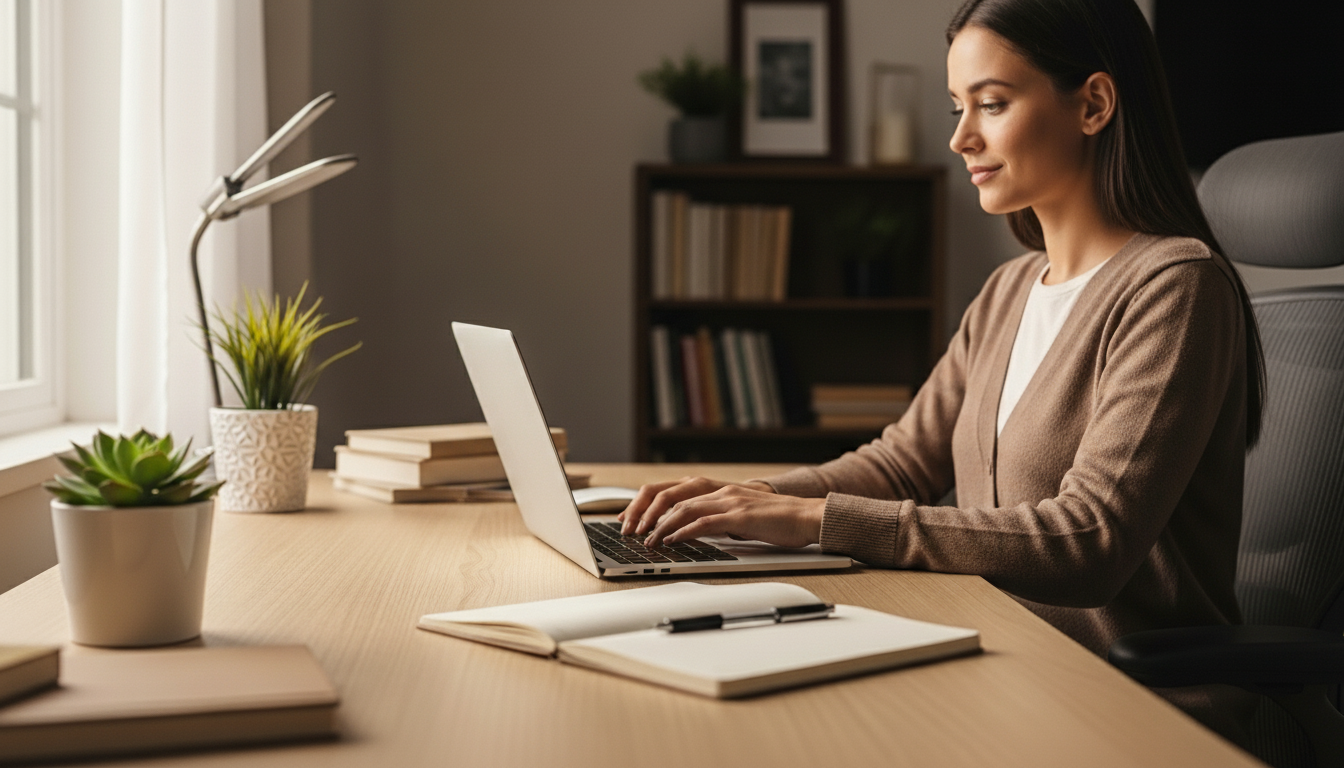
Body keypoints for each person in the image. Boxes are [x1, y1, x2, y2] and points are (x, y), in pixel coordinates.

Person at [618, 0, 1265, 742]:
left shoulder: (1175, 286)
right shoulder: (1010, 291)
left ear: (1093, 104)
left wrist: (816, 522)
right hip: (1005, 671)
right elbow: (901, 463)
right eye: (958, 107)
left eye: (991, 104)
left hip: (1128, 708)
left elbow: (1088, 542)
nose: (961, 137)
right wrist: (749, 500)